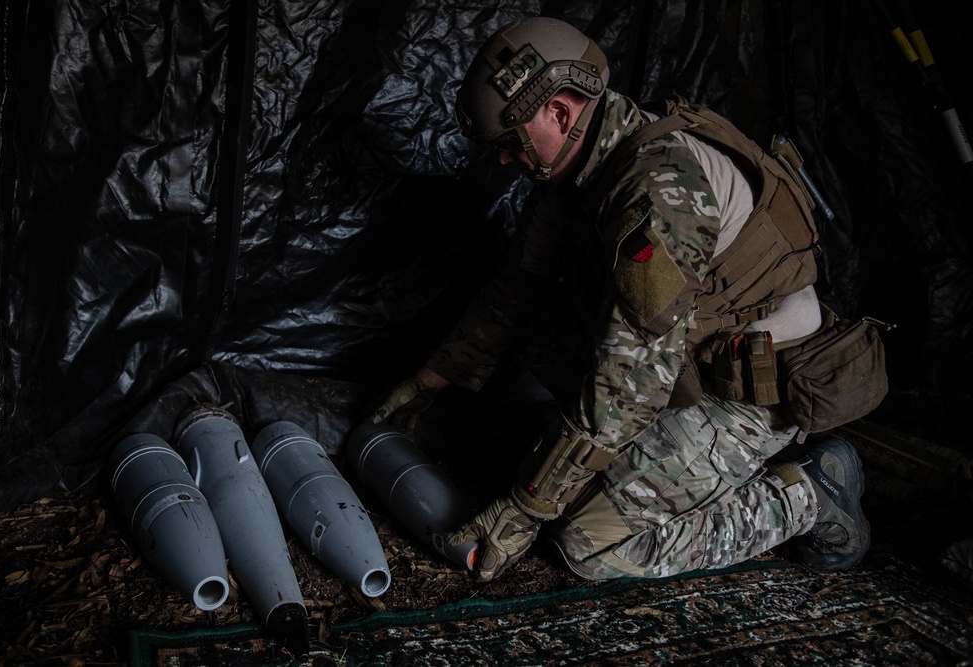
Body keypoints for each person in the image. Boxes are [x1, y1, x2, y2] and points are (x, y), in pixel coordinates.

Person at [371, 16, 874, 583]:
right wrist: (434, 379)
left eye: (511, 143)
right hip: (686, 360)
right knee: (541, 332)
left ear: (560, 112)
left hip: (752, 394)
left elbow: (633, 382)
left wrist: (525, 506)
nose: (504, 161)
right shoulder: (581, 170)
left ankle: (808, 496)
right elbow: (514, 289)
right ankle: (639, 462)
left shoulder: (657, 192)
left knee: (590, 544)